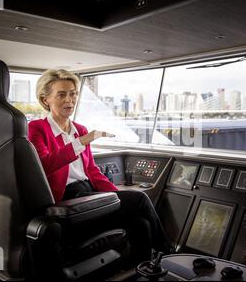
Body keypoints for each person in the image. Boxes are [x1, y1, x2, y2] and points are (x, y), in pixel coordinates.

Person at [28, 69, 171, 262]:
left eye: (73, 93)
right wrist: (82, 141)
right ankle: (169, 253)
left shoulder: (80, 129)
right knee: (140, 199)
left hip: (88, 193)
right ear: (46, 100)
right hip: (67, 199)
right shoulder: (36, 128)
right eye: (61, 94)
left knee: (140, 222)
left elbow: (92, 171)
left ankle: (145, 270)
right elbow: (45, 165)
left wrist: (116, 196)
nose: (69, 100)